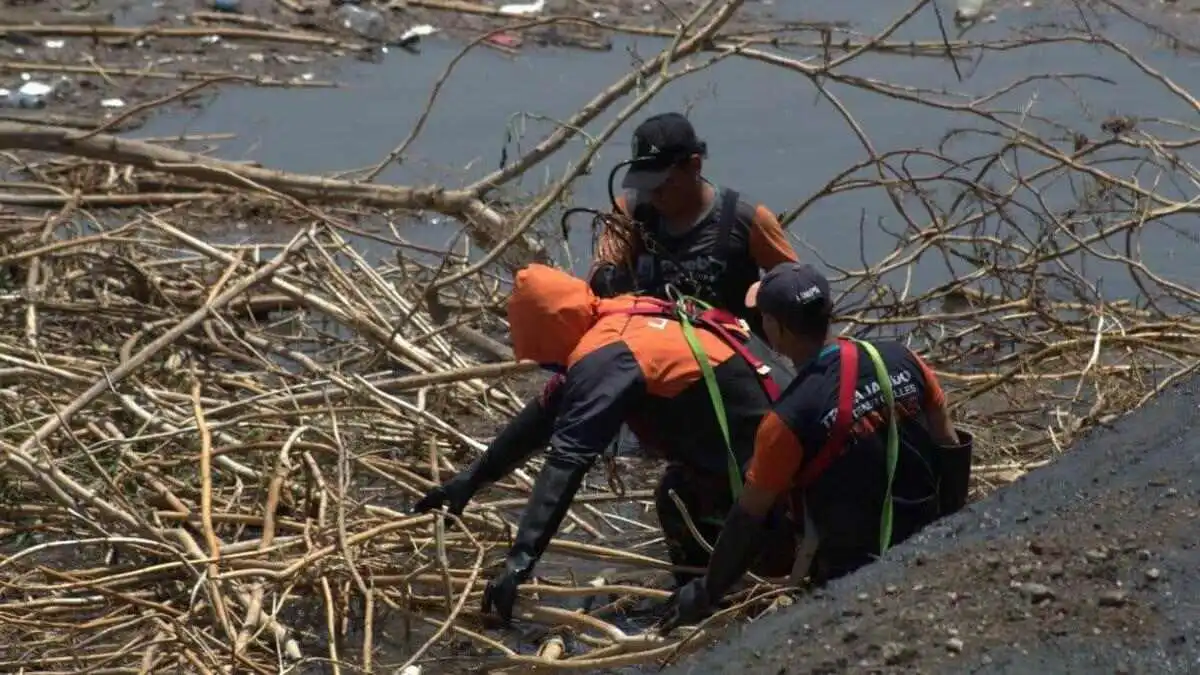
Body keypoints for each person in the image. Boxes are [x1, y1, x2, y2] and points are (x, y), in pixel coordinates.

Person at [411, 263, 797, 623]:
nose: (551, 369)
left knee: (679, 499)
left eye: (545, 360)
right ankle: (713, 591)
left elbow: (567, 460)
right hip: (777, 431)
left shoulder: (607, 355)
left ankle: (738, 596)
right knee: (676, 493)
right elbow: (543, 417)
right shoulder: (623, 314)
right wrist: (471, 480)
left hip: (775, 469)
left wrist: (520, 560)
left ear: (552, 335)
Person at [658, 262, 975, 631]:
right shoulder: (905, 359)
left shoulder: (787, 418)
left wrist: (705, 592)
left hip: (853, 577)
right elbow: (948, 443)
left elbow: (749, 518)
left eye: (763, 317)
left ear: (776, 329)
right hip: (928, 542)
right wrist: (954, 533)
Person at [589, 112, 798, 334]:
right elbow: (598, 279)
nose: (653, 194)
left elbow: (799, 290)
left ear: (694, 165)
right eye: (645, 185)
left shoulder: (746, 219)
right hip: (650, 347)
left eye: (663, 183)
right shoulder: (629, 213)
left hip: (730, 354)